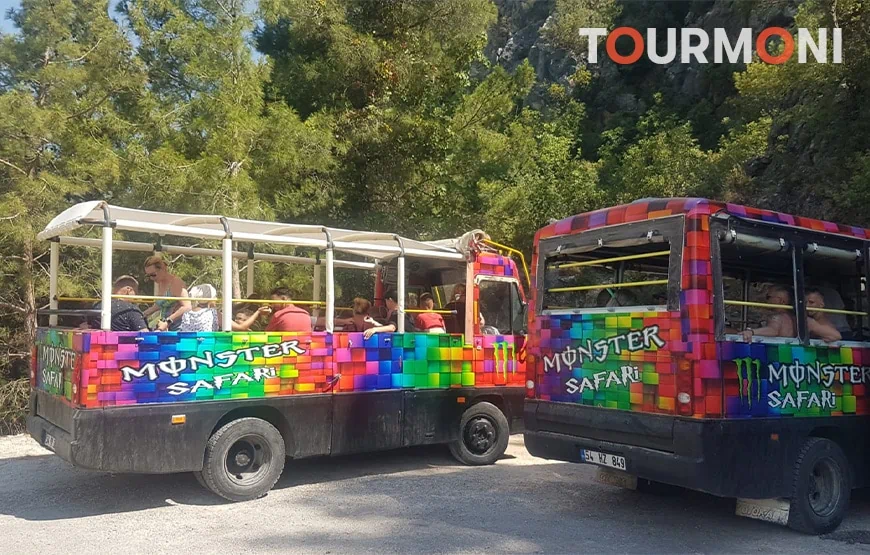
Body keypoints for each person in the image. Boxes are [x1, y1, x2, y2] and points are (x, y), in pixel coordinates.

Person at [141, 254, 190, 331]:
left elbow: (187, 307)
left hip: (178, 329)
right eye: (148, 276)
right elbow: (160, 304)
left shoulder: (176, 283)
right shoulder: (160, 283)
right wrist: (143, 314)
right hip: (165, 328)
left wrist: (168, 321)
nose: (151, 278)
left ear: (162, 269)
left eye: (153, 275)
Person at [84, 275, 150, 332]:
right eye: (135, 292)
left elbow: (85, 326)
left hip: (98, 342)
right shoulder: (131, 310)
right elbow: (145, 334)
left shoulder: (97, 306)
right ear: (129, 290)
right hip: (125, 342)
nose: (136, 296)